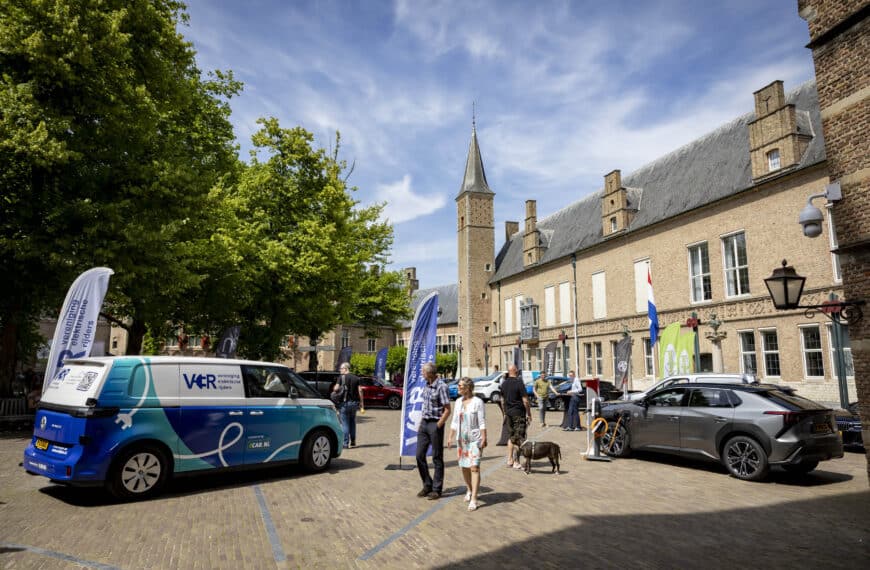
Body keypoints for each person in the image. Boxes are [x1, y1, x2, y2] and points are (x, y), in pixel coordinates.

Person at [447, 377, 487, 511]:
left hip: (474, 439)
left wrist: (484, 437)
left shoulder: (478, 402)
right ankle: (469, 489)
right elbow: (454, 421)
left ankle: (474, 498)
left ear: (468, 388)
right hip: (461, 440)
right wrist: (450, 436)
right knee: (464, 467)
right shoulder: (458, 402)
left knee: (474, 467)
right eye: (459, 386)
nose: (458, 388)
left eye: (460, 386)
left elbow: (481, 421)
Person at [416, 361, 451, 500]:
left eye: (423, 372)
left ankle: (437, 489)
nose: (422, 374)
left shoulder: (441, 387)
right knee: (419, 455)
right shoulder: (426, 385)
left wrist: (438, 425)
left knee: (436, 457)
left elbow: (448, 409)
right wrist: (421, 423)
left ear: (430, 373)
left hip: (435, 424)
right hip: (424, 424)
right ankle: (427, 484)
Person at [501, 364, 531, 469]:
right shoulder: (519, 382)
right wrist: (529, 413)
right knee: (519, 438)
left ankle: (509, 459)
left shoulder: (504, 384)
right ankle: (516, 462)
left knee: (511, 437)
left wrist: (504, 412)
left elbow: (502, 400)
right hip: (518, 413)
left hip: (509, 414)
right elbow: (525, 400)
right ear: (515, 371)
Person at [334, 362, 365, 448]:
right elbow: (360, 391)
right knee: (352, 422)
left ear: (346, 369)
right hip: (354, 404)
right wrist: (362, 403)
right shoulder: (356, 378)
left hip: (344, 404)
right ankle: (353, 441)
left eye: (341, 369)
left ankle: (345, 443)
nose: (340, 370)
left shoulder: (341, 378)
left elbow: (335, 388)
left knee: (345, 424)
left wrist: (337, 388)